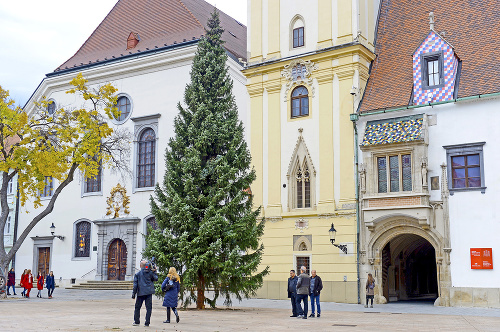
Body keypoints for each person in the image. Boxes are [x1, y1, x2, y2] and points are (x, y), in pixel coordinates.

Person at [132, 260, 158, 327]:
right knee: (149, 308)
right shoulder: (150, 273)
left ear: (140, 266)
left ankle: (136, 321)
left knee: (137, 307)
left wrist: (133, 294)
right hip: (148, 292)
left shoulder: (137, 274)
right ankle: (147, 323)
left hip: (140, 293)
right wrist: (155, 271)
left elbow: (135, 285)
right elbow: (156, 278)